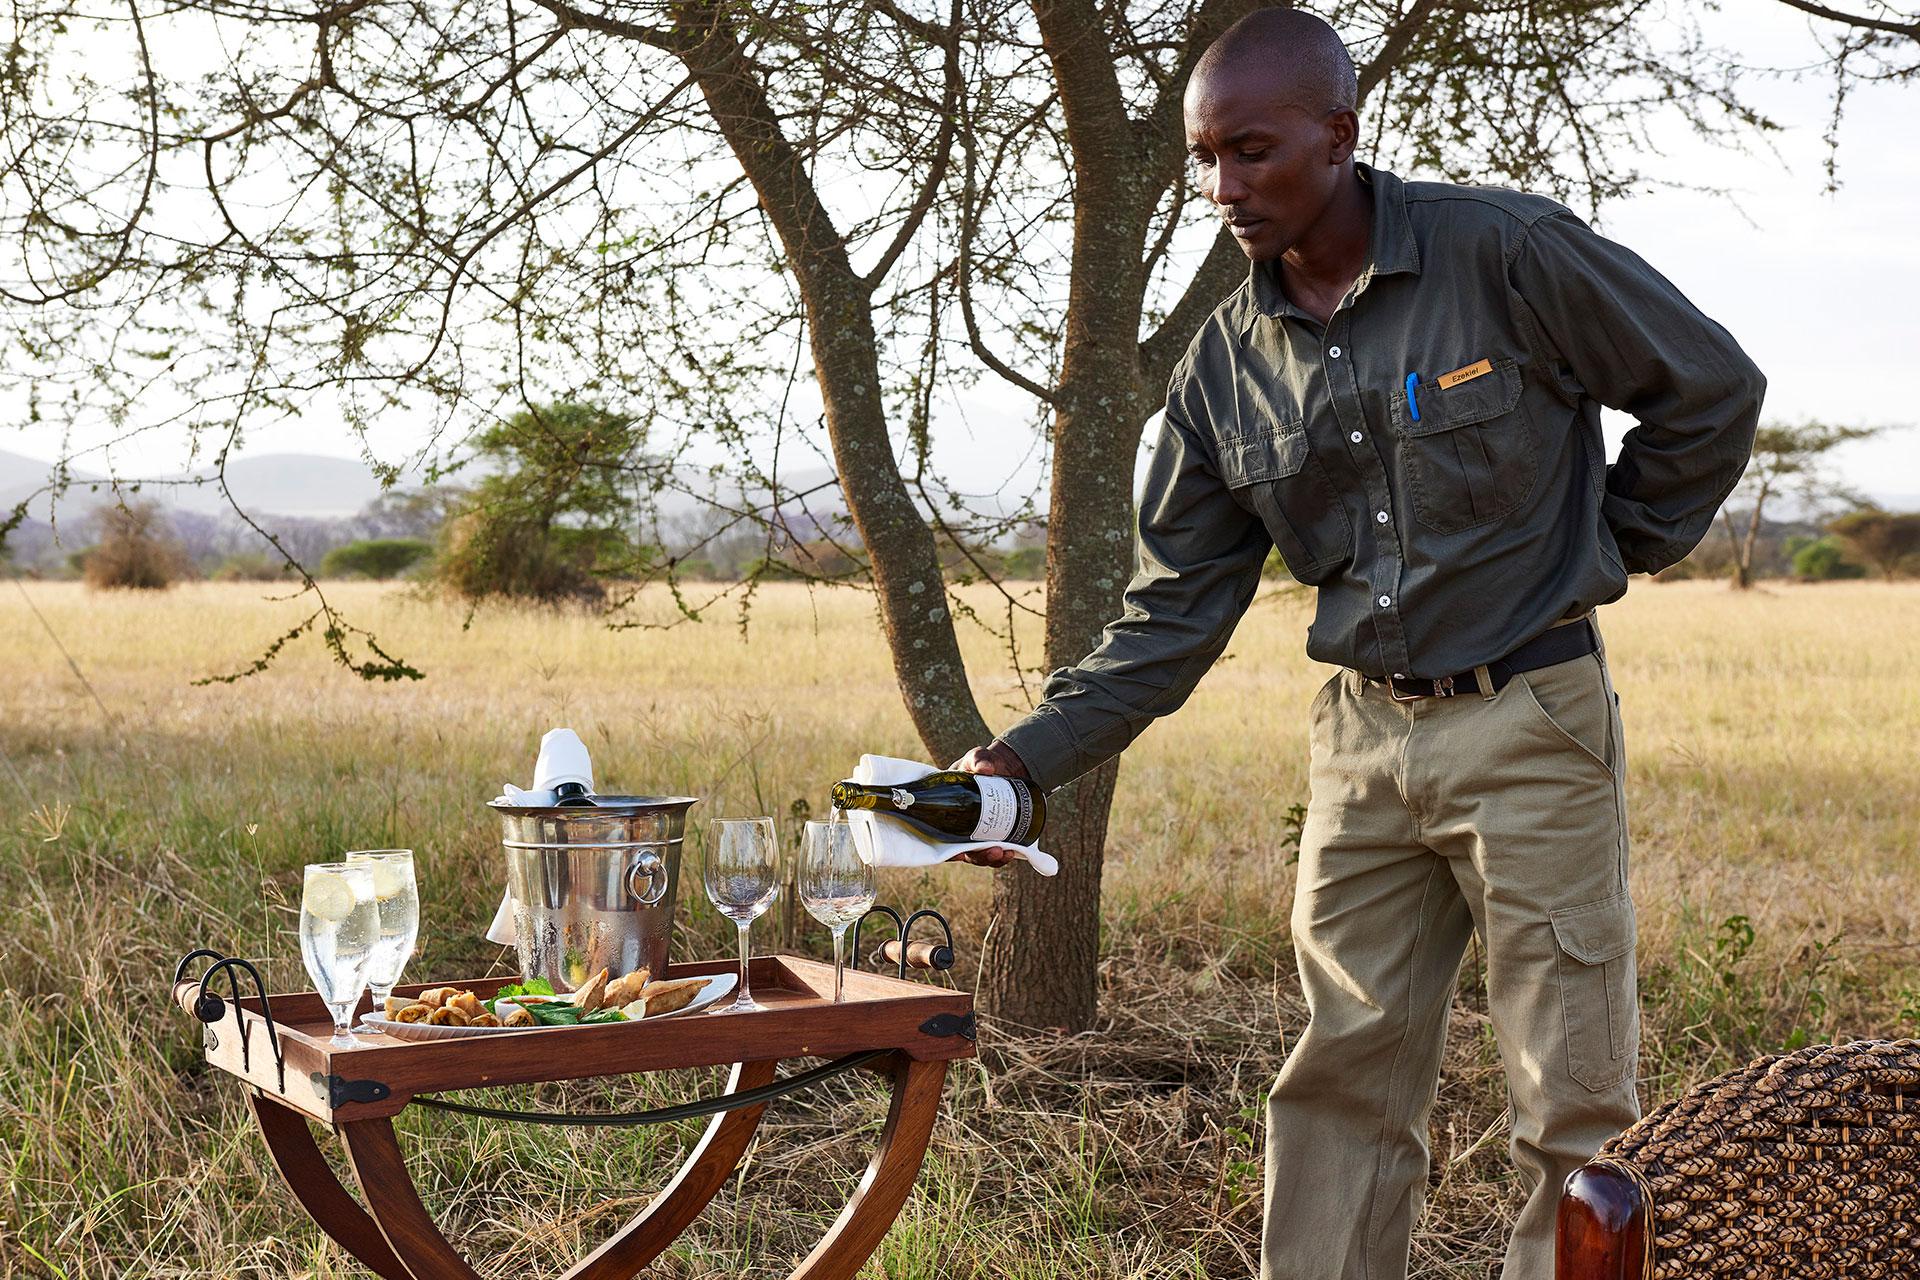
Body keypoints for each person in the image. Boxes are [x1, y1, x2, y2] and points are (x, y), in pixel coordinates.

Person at [950, 8, 1764, 1279]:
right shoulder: (1222, 370)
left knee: (1574, 1105)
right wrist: (1020, 761)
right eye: (1205, 158)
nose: (1224, 187)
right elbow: (1171, 611)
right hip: (1361, 743)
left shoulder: (1506, 252)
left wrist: (1612, 545)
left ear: (1339, 135)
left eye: (1253, 151)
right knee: (1337, 1081)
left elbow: (1708, 387)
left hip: (1530, 719)